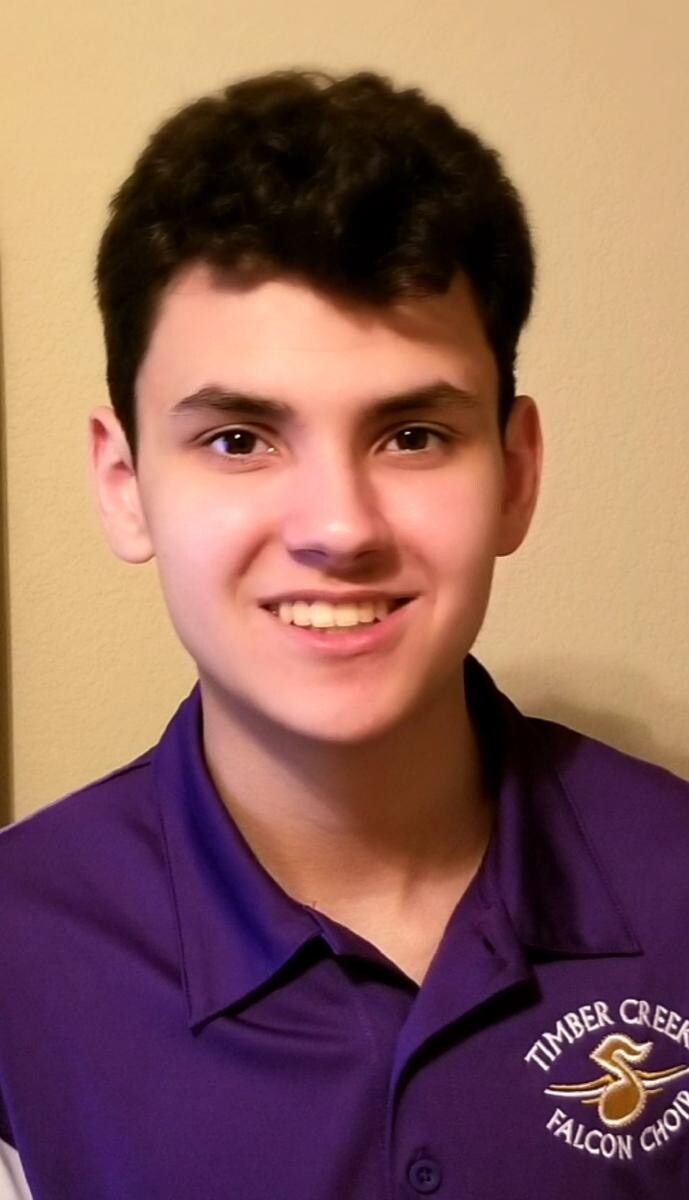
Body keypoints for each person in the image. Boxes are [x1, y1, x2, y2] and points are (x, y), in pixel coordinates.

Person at [1, 68, 688, 1200]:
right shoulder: (17, 958)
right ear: (124, 486)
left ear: (515, 473)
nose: (337, 528)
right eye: (237, 440)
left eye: (412, 435)